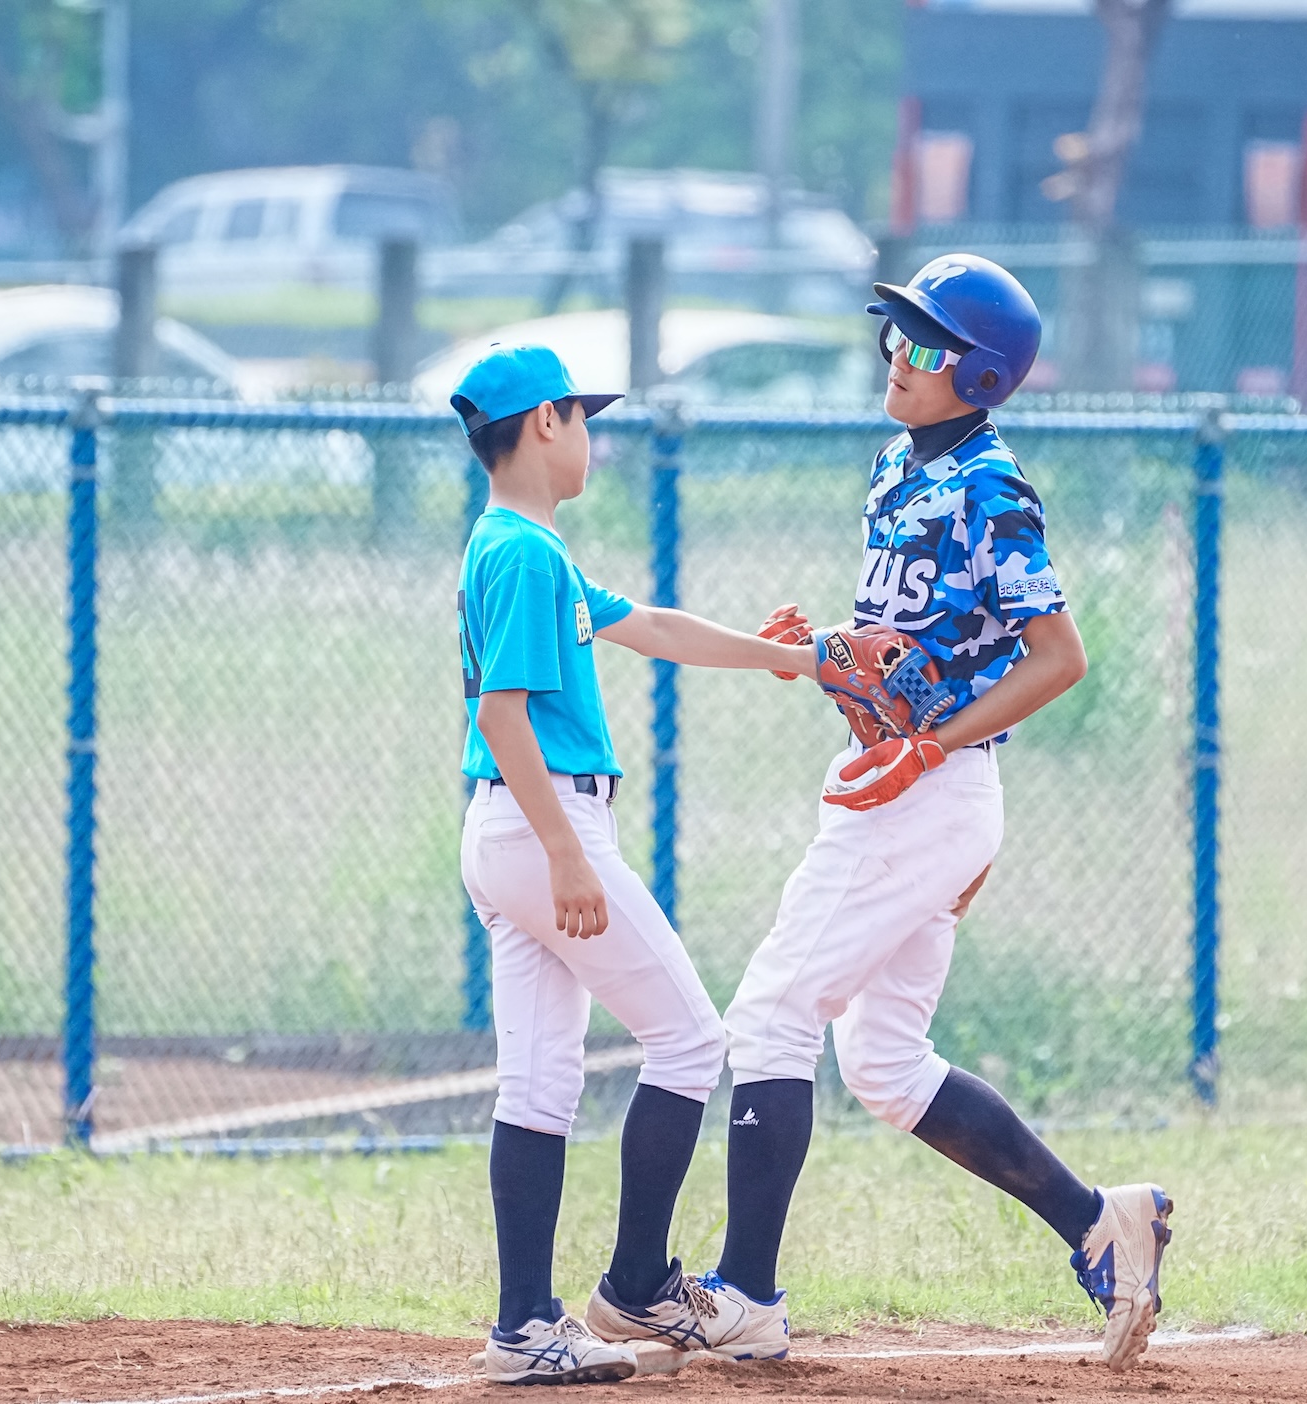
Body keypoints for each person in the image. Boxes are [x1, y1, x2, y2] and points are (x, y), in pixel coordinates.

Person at [711, 256, 1176, 1371]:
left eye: (925, 344)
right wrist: (818, 653)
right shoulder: (896, 467)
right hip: (907, 784)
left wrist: (936, 749)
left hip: (929, 791)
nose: (898, 357)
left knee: (771, 1016)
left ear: (982, 375)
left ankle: (747, 1297)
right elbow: (911, 651)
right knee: (883, 1062)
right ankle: (1099, 1223)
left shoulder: (991, 488)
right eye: (895, 334)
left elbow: (1056, 657)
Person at [451, 345, 816, 1384]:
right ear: (545, 422)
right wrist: (567, 852)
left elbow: (651, 627)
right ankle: (640, 1285)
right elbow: (502, 715)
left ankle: (524, 1329)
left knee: (539, 1082)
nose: (590, 436)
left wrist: (785, 655)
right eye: (582, 416)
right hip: (545, 825)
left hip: (512, 831)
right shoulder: (523, 555)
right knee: (691, 1040)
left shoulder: (523, 547)